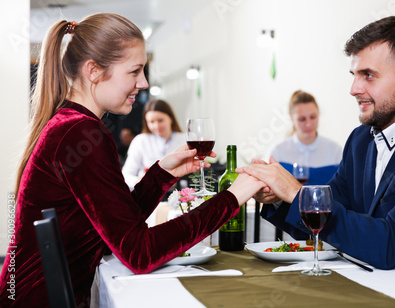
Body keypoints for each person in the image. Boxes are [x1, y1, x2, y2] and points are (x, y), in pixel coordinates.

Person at [0, 13, 264, 307]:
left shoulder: (71, 124)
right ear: (94, 71)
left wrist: (161, 173)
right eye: (135, 71)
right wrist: (233, 196)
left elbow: (117, 225)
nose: (144, 82)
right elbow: (140, 253)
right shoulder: (82, 133)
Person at [239, 16, 395, 291]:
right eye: (354, 75)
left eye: (368, 75)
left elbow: (389, 244)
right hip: (373, 285)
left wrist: (297, 193)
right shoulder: (360, 140)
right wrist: (278, 197)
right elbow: (325, 221)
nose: (354, 89)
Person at [268, 90, 342, 185]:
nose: (308, 124)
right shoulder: (277, 152)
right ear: (292, 119)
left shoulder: (334, 150)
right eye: (302, 119)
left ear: (318, 114)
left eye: (313, 117)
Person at [122, 99, 185, 190]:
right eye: (151, 122)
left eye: (160, 120)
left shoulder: (185, 139)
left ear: (170, 118)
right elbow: (126, 176)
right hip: (147, 195)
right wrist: (140, 181)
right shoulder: (141, 140)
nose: (156, 126)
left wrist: (175, 182)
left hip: (178, 196)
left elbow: (194, 175)